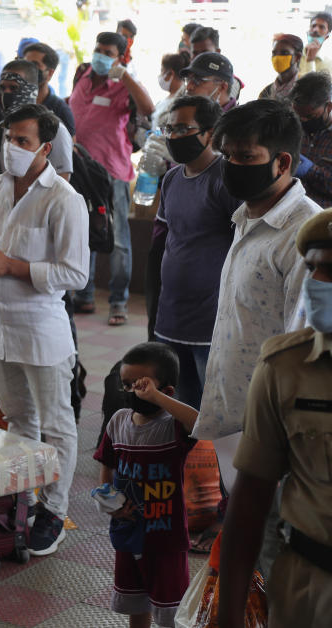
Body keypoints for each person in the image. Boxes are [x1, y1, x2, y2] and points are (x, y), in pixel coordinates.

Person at [192, 100, 320, 564]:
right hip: (237, 419)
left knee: (270, 558)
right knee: (252, 553)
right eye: (226, 155)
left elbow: (301, 346)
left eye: (245, 158)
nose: (231, 167)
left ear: (281, 162)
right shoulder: (247, 216)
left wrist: (278, 439)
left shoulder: (304, 232)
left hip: (272, 433)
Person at [0, 103, 88, 555]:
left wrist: (13, 267)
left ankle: (55, 512)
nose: (11, 148)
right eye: (8, 138)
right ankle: (29, 498)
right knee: (19, 419)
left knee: (57, 423)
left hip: (41, 327)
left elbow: (74, 274)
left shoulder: (63, 198)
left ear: (45, 147)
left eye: (23, 141)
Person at [219, 209, 332, 628]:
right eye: (313, 268)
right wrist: (228, 616)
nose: (318, 284)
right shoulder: (285, 366)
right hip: (307, 587)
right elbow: (250, 500)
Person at [94, 342, 198, 628]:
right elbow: (107, 466)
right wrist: (109, 501)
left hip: (166, 537)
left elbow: (200, 423)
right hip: (128, 532)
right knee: (135, 600)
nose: (134, 392)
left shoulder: (172, 426)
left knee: (170, 608)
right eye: (127, 385)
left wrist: (157, 398)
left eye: (142, 386)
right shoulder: (118, 422)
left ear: (167, 392)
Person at [152, 97, 240, 410]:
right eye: (170, 129)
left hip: (211, 322)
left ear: (210, 133)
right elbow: (167, 241)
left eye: (184, 129)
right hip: (171, 317)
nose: (174, 136)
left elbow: (242, 247)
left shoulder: (227, 179)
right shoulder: (173, 178)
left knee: (212, 413)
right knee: (178, 411)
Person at [71, 31, 154, 325]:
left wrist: (126, 76)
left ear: (119, 58)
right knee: (83, 235)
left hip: (112, 172)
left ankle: (118, 302)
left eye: (108, 52)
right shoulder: (82, 74)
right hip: (80, 170)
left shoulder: (122, 86)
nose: (101, 56)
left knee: (118, 239)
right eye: (98, 49)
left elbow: (148, 109)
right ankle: (85, 295)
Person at [0, 61, 74, 181]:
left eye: (13, 88)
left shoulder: (55, 129)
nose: (6, 94)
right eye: (2, 88)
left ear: (31, 91)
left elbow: (62, 178)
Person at [291, 71, 332, 208]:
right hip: (291, 212)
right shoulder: (293, 129)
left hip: (324, 220)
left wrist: (311, 170)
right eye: (299, 116)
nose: (303, 121)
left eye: (310, 116)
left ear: (329, 107)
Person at [22, 42, 76, 134]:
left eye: (35, 65)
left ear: (50, 73)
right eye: (25, 63)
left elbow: (70, 145)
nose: (27, 69)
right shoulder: (8, 96)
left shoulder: (60, 109)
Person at [260, 34, 303, 101]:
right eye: (274, 53)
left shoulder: (305, 89)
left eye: (284, 53)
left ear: (297, 57)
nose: (277, 58)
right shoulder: (266, 92)